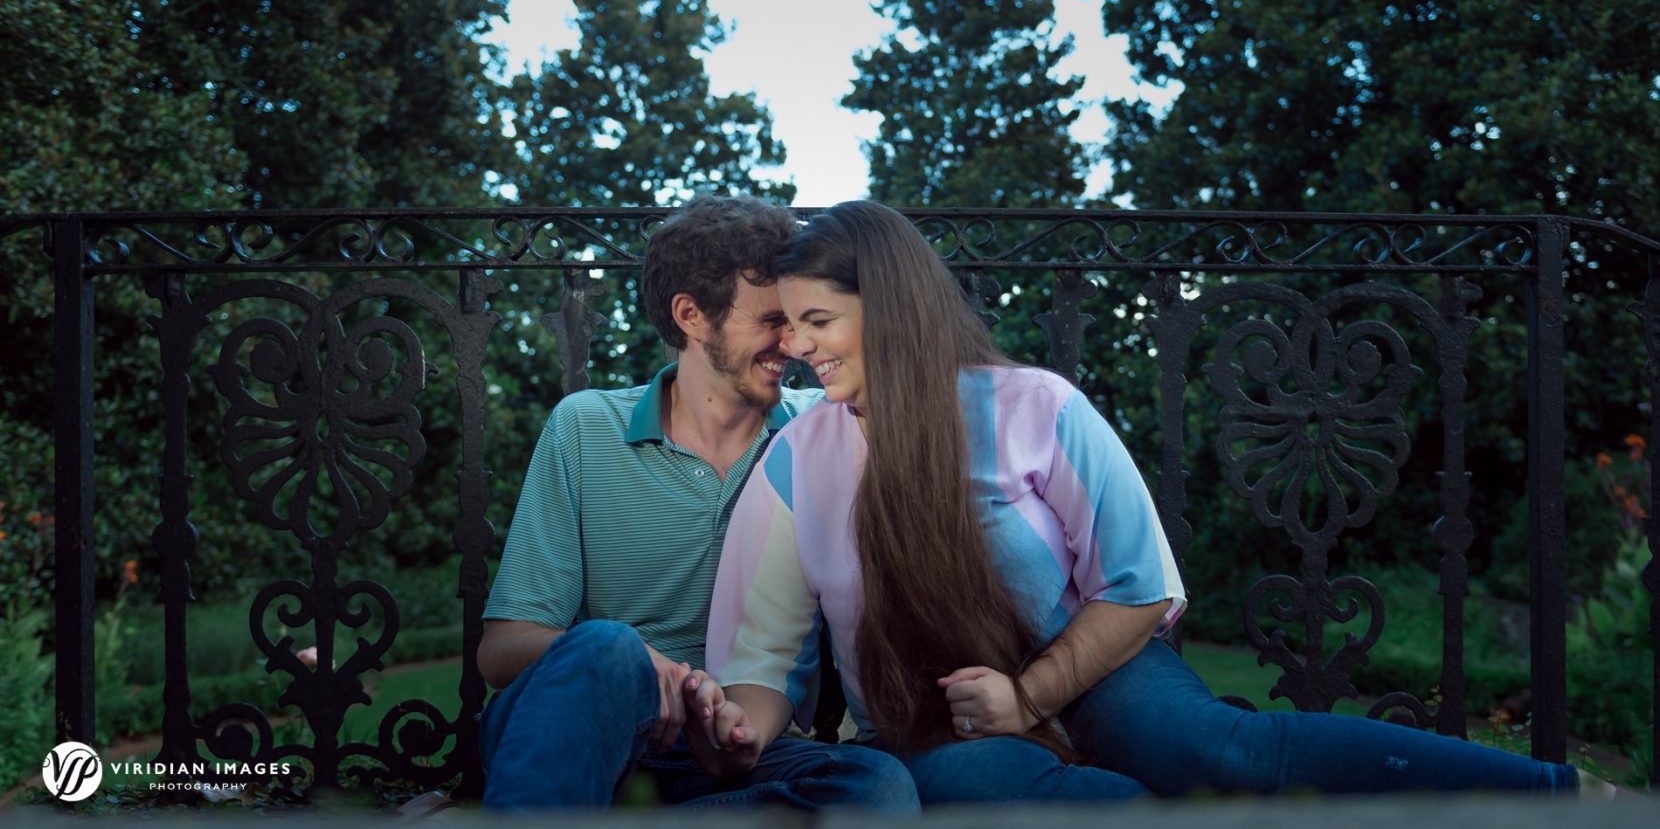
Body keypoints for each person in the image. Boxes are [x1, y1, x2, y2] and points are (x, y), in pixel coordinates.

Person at [695, 199, 1606, 803]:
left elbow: (1136, 586)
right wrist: (741, 726)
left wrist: (1032, 691)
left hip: (1088, 667)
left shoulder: (1034, 408)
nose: (802, 347)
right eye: (792, 324)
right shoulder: (796, 460)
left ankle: (1555, 795)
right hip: (931, 721)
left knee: (1216, 753)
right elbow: (762, 658)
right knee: (1067, 798)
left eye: (820, 321)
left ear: (890, 306)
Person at [475, 195, 918, 811]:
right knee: (607, 645)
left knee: (876, 786)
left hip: (725, 747)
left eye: (797, 320)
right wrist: (639, 661)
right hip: (586, 731)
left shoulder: (820, 435)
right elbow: (503, 651)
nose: (794, 344)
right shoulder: (585, 428)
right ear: (691, 315)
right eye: (771, 320)